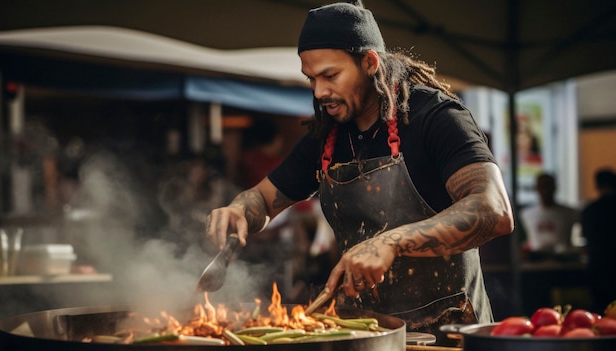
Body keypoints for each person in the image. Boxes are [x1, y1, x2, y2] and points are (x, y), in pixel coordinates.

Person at [205, 1, 513, 345]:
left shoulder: (437, 118)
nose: (319, 92)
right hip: (367, 335)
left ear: (369, 63)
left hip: (447, 335)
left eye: (330, 76)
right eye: (311, 79)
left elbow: (494, 209)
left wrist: (392, 242)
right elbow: (262, 199)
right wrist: (240, 209)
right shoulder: (327, 136)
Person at [519, 173, 580, 259]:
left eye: (548, 186)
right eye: (543, 186)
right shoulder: (526, 214)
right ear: (536, 188)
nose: (546, 190)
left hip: (563, 260)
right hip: (536, 260)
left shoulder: (570, 213)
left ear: (554, 188)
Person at [581, 168, 616, 314]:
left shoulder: (590, 211)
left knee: (602, 311)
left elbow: (587, 240)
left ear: (596, 185)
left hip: (598, 267)